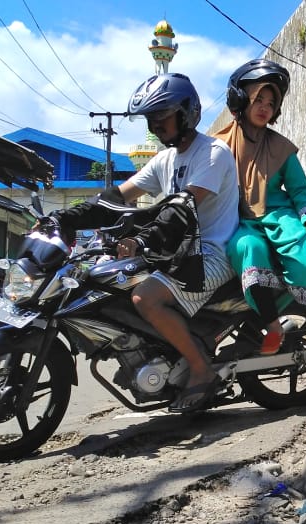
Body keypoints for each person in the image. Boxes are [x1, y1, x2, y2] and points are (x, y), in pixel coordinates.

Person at [51, 72, 240, 413]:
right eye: (151, 118)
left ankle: (202, 370)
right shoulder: (164, 160)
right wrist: (65, 219)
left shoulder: (213, 153)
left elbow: (183, 210)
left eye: (162, 115)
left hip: (211, 252)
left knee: (145, 297)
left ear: (186, 112)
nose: (155, 125)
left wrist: (141, 240)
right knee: (110, 280)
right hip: (176, 251)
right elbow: (113, 199)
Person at [213, 59, 306, 373]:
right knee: (247, 249)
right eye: (258, 99)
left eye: (271, 102)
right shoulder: (218, 148)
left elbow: (300, 191)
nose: (265, 107)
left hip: (280, 217)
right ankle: (272, 325)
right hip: (241, 222)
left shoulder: (282, 149)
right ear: (241, 99)